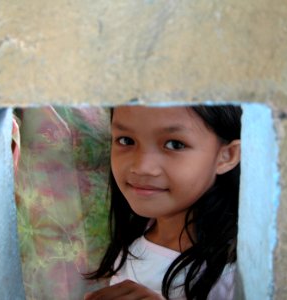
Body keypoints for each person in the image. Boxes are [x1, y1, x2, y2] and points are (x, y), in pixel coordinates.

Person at [84, 104, 242, 300]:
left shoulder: (237, 269)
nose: (142, 167)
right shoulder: (137, 236)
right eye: (126, 140)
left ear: (227, 156)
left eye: (175, 144)